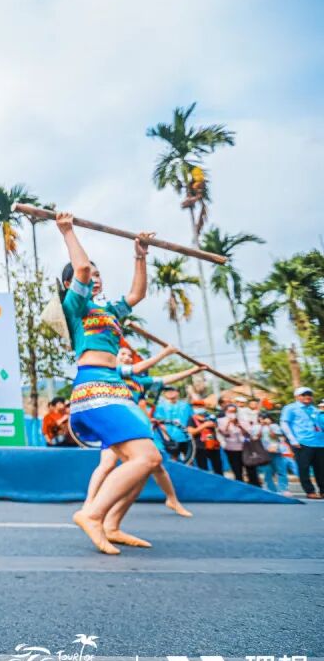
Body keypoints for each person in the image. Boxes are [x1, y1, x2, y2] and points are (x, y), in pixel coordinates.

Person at [56, 211, 160, 555]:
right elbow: (82, 268)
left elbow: (137, 293)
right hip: (94, 389)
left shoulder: (111, 311)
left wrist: (140, 255)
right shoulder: (76, 307)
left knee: (148, 460)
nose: (94, 278)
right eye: (90, 275)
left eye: (100, 275)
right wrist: (67, 231)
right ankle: (91, 514)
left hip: (116, 389)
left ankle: (112, 524)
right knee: (146, 457)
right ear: (71, 284)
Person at [83, 345, 202, 523]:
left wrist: (194, 370)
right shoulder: (112, 372)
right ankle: (90, 503)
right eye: (123, 354)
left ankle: (172, 500)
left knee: (156, 465)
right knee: (107, 464)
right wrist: (165, 353)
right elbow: (138, 368)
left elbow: (165, 379)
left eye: (129, 355)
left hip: (134, 426)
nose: (127, 357)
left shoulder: (138, 382)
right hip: (116, 423)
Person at [280, 386, 324, 499]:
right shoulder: (290, 408)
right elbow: (284, 424)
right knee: (304, 468)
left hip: (319, 442)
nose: (307, 397)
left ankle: (323, 491)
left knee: (321, 469)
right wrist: (293, 440)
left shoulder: (314, 409)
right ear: (297, 396)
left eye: (309, 394)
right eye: (304, 394)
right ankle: (310, 491)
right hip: (302, 442)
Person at [218, 403, 258, 486]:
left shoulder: (242, 420)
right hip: (231, 449)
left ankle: (255, 486)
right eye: (230, 411)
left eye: (234, 411)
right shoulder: (221, 420)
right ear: (225, 412)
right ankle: (241, 487)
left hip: (245, 448)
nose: (232, 413)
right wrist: (229, 422)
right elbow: (224, 433)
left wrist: (239, 425)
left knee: (251, 469)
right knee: (237, 470)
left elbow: (249, 433)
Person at [153, 385, 194, 462]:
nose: (170, 392)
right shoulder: (160, 407)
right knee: (173, 460)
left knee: (189, 460)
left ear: (177, 392)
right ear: (164, 394)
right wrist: (166, 437)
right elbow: (159, 423)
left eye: (172, 390)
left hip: (185, 438)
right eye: (167, 391)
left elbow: (192, 419)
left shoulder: (185, 405)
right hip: (170, 439)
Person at [254, 412, 289, 495]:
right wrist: (261, 426)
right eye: (261, 418)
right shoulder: (256, 427)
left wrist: (269, 425)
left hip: (276, 451)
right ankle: (271, 490)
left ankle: (283, 489)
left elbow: (276, 436)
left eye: (264, 417)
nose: (263, 419)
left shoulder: (274, 426)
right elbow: (256, 438)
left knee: (281, 470)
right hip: (264, 452)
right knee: (267, 471)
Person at [188, 406, 223, 474]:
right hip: (200, 446)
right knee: (203, 468)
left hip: (212, 445)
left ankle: (220, 479)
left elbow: (215, 426)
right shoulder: (191, 419)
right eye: (196, 406)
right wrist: (204, 425)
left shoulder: (210, 416)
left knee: (218, 467)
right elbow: (191, 431)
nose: (199, 408)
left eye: (200, 405)